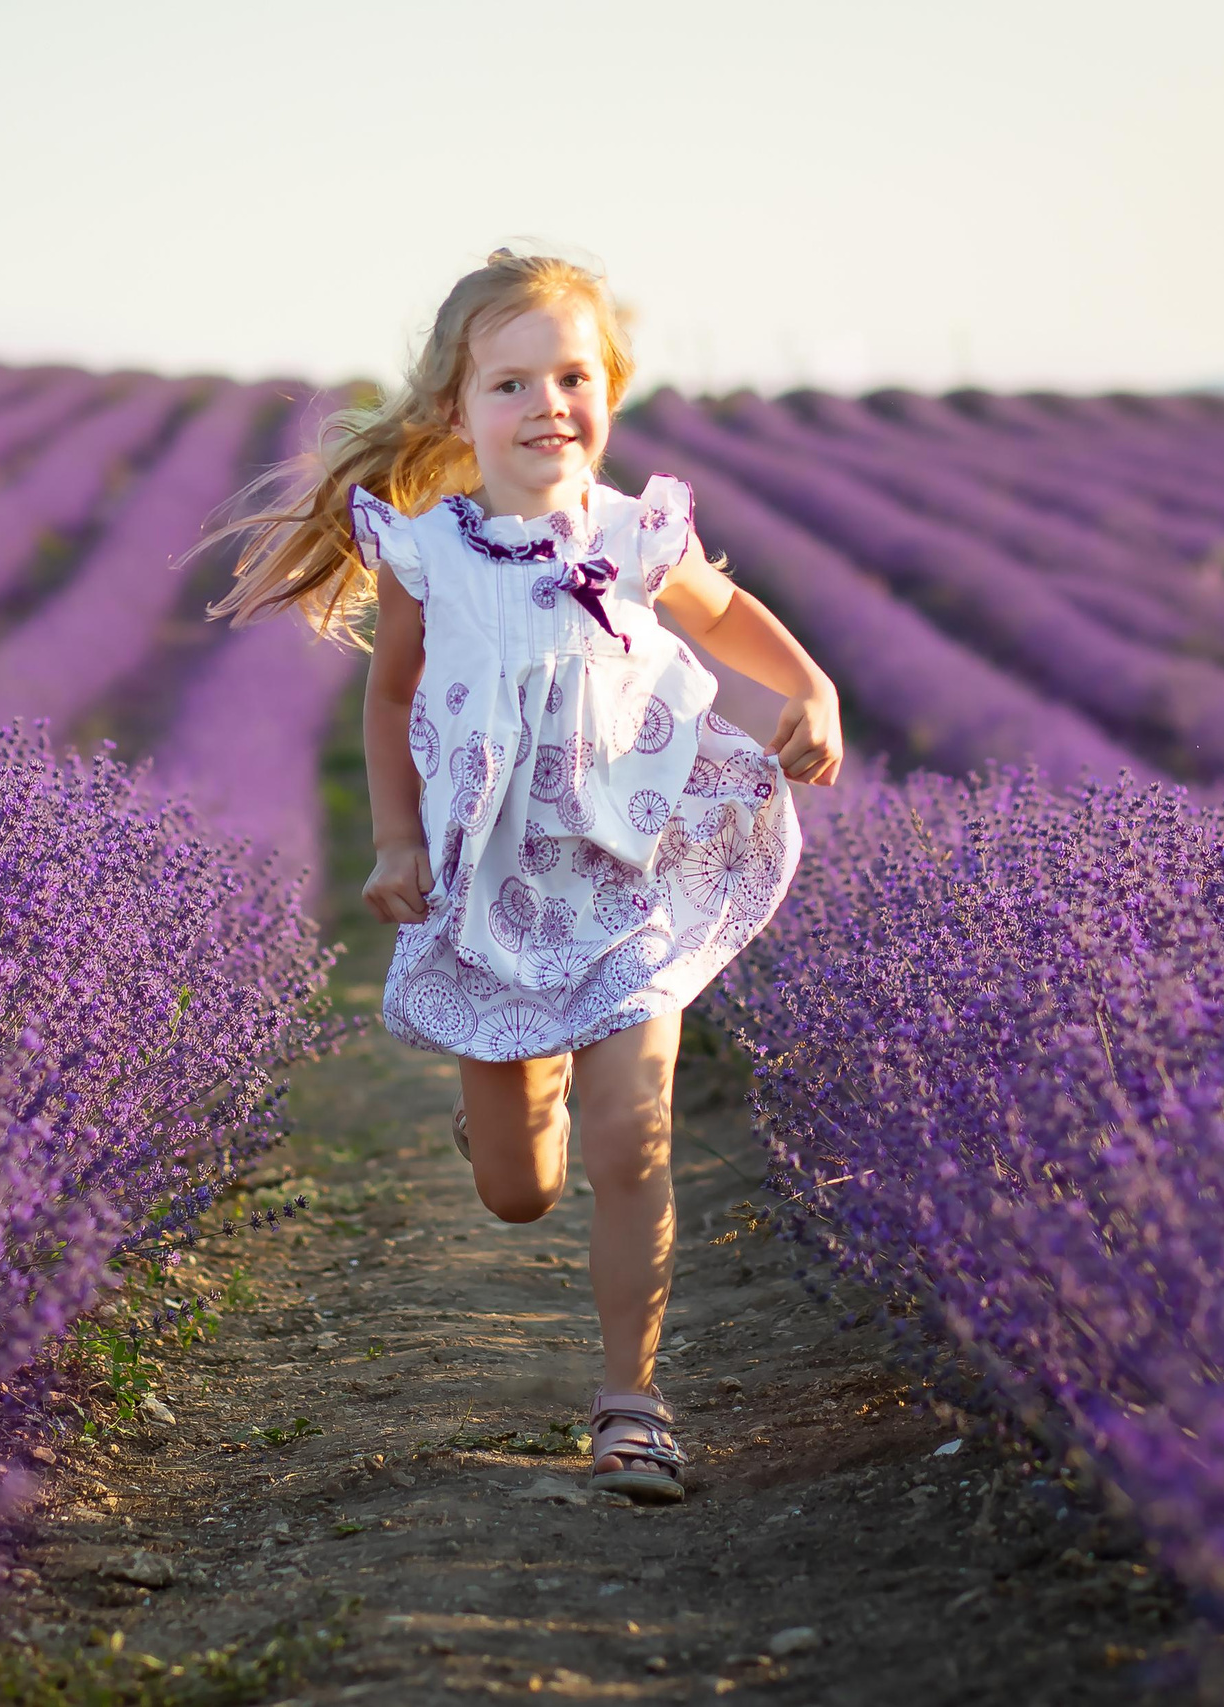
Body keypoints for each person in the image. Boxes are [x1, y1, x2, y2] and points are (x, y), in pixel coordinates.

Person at [207, 250, 843, 1503]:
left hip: (632, 875)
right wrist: (396, 841)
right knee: (517, 1192)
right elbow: (389, 700)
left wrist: (810, 687)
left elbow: (724, 616)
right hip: (490, 892)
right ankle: (513, 1109)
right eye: (510, 384)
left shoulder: (636, 532)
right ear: (456, 411)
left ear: (610, 390)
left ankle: (631, 1406)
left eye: (572, 377)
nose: (548, 404)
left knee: (633, 1141)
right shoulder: (428, 556)